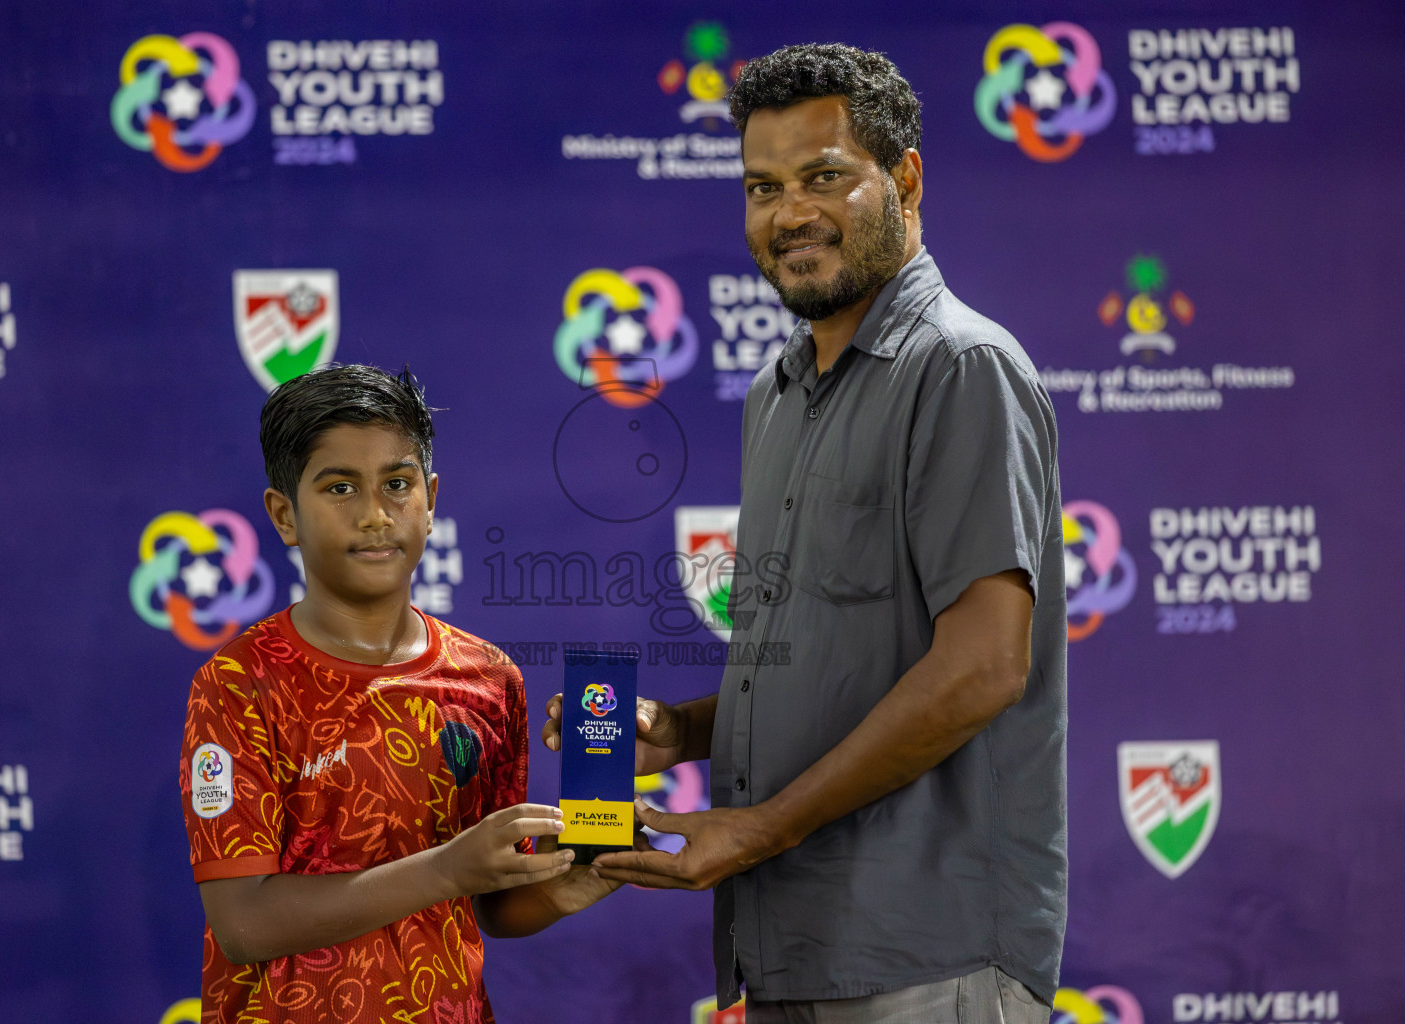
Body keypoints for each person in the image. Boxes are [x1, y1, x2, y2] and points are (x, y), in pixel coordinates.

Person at [544, 44, 1067, 1023]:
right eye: (762, 186)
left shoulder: (960, 367)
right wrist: (679, 731)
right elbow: (837, 658)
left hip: (922, 947)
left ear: (905, 178)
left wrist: (753, 831)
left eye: (824, 176)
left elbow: (986, 665)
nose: (789, 214)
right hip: (787, 949)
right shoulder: (776, 393)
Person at [181, 364, 618, 1023]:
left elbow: (495, 903)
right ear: (284, 515)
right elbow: (244, 923)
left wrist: (572, 878)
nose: (376, 514)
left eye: (397, 484)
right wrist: (445, 870)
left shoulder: (488, 679)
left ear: (431, 498)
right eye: (339, 488)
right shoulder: (241, 683)